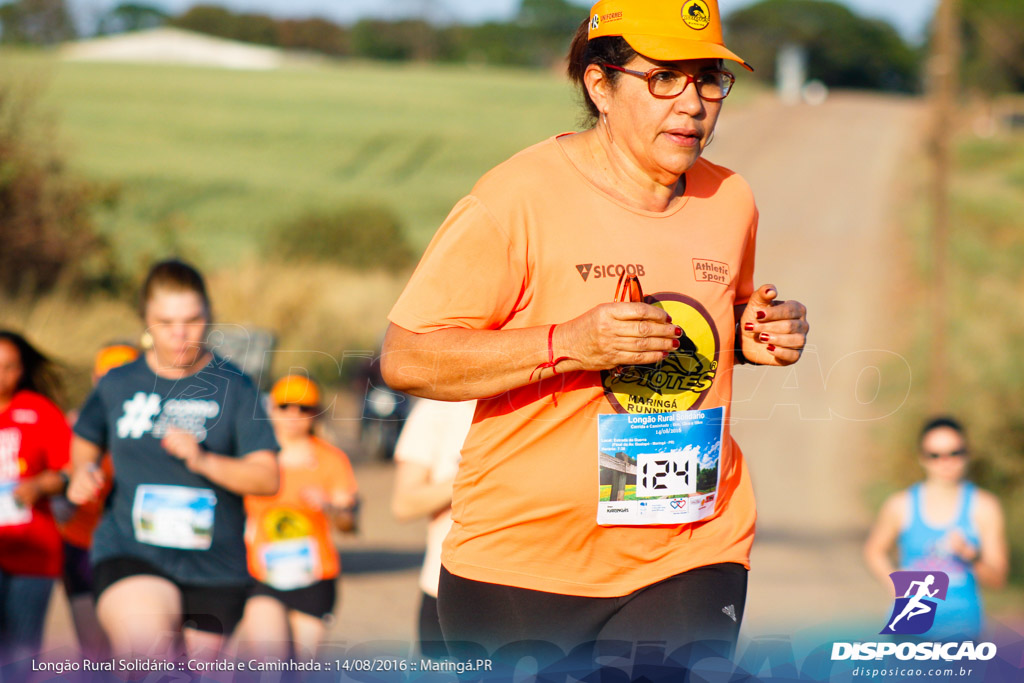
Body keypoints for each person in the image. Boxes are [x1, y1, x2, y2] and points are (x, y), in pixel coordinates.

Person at [380, 0, 809, 662]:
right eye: (664, 77)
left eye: (708, 78)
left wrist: (752, 334)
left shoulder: (731, 200)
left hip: (692, 541)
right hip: (522, 563)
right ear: (599, 85)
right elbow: (408, 357)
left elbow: (723, 315)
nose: (693, 103)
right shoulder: (514, 199)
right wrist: (567, 343)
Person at [67, 259, 280, 660]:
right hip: (131, 553)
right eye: (165, 322)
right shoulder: (118, 383)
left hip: (215, 569)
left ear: (210, 315)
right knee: (150, 657)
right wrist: (83, 470)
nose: (180, 334)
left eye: (192, 320)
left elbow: (267, 479)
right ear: (145, 320)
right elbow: (85, 439)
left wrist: (204, 462)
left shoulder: (235, 386)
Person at [236, 374, 359, 660]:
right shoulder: (255, 457)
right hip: (261, 575)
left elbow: (348, 525)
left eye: (304, 408)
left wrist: (328, 505)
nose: (294, 415)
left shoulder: (331, 460)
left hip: (314, 577)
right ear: (271, 409)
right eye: (285, 406)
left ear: (316, 413)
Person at [864, 417, 1009, 640]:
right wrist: (895, 583)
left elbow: (998, 580)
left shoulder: (984, 507)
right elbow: (874, 551)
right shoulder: (900, 505)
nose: (945, 462)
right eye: (935, 455)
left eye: (954, 453)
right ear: (922, 458)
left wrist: (971, 556)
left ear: (966, 453)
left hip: (963, 632)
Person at [58, 343, 139, 659]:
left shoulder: (157, 431)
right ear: (94, 379)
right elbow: (58, 476)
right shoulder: (75, 427)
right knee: (94, 652)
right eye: (107, 377)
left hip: (136, 550)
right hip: (83, 546)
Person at [0, 330, 70, 660]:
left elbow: (68, 472)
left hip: (33, 554)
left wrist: (40, 485)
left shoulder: (40, 412)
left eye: (10, 366)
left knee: (21, 655)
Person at [391, 398, 476, 659]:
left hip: (526, 591)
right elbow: (404, 504)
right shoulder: (438, 409)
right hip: (445, 588)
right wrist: (477, 477)